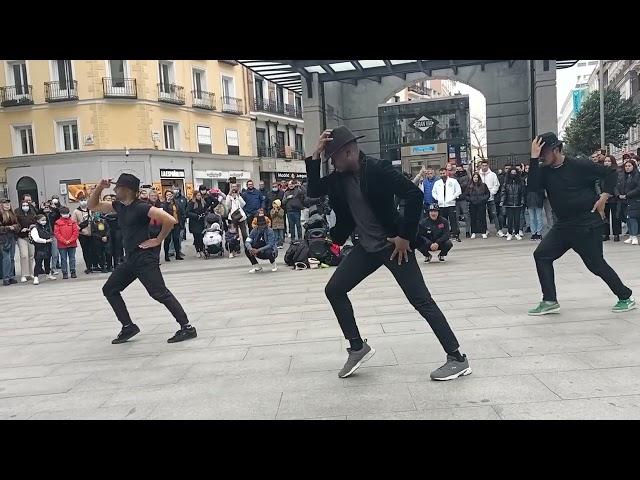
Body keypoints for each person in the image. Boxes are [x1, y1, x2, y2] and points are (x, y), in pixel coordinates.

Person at [307, 127, 469, 381]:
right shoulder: (339, 178)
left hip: (394, 247)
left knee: (421, 302)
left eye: (333, 159)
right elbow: (314, 190)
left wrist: (405, 236)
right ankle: (357, 347)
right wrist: (316, 154)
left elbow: (414, 195)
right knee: (334, 290)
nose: (333, 165)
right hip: (367, 249)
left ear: (348, 152)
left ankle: (457, 358)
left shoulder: (378, 169)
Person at [527, 133, 635, 315]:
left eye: (544, 152)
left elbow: (610, 172)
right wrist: (533, 158)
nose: (542, 156)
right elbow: (532, 186)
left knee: (595, 265)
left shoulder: (579, 165)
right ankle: (550, 300)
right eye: (540, 153)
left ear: (556, 150)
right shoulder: (544, 171)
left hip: (586, 223)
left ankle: (625, 296)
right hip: (563, 225)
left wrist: (604, 196)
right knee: (542, 255)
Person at [88, 174, 197, 344]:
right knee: (109, 289)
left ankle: (187, 327)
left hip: (145, 259)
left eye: (118, 187)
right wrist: (100, 187)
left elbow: (169, 219)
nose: (115, 190)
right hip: (130, 259)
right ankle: (128, 326)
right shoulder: (119, 206)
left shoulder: (141, 207)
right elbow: (93, 205)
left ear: (127, 190)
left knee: (160, 293)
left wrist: (158, 239)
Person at [432, 167, 462, 241]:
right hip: (441, 205)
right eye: (441, 173)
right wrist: (438, 198)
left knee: (453, 220)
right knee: (442, 221)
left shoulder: (453, 181)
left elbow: (458, 191)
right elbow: (433, 192)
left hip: (451, 204)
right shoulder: (437, 183)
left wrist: (452, 197)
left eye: (444, 173)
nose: (442, 175)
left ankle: (455, 235)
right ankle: (443, 235)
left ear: (447, 173)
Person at [29, 214, 57, 284]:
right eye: (42, 220)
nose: (44, 222)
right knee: (38, 263)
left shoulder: (46, 227)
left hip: (48, 246)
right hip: (39, 247)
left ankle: (48, 274)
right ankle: (36, 277)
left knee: (47, 261)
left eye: (45, 220)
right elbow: (36, 239)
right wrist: (45, 241)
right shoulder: (35, 228)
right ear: (38, 221)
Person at [15, 197, 38, 282]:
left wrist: (32, 227)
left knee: (31, 255)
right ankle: (24, 274)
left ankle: (31, 273)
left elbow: (36, 222)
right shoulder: (17, 214)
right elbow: (16, 224)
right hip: (21, 236)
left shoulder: (32, 213)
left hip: (30, 236)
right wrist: (21, 229)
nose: (25, 207)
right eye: (23, 205)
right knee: (24, 255)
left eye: (27, 205)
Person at [600, 155, 622, 242]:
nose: (607, 162)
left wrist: (612, 193)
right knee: (604, 217)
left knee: (615, 217)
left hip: (614, 197)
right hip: (603, 198)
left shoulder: (617, 171)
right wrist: (601, 194)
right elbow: (597, 184)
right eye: (605, 161)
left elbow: (617, 184)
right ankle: (606, 234)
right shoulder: (601, 172)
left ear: (612, 162)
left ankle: (616, 234)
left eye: (609, 161)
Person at [618, 160, 640, 245]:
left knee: (632, 217)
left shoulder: (637, 175)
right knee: (628, 218)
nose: (627, 168)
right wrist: (619, 194)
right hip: (625, 200)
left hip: (634, 199)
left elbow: (638, 189)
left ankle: (634, 236)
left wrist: (627, 195)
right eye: (626, 166)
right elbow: (618, 185)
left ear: (633, 166)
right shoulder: (623, 176)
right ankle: (631, 236)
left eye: (629, 166)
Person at [73, 194, 96, 274]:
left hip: (92, 233)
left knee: (93, 250)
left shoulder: (90, 209)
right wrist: (80, 229)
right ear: (79, 201)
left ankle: (94, 265)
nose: (83, 202)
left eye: (85, 200)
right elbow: (74, 223)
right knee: (86, 250)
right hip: (83, 234)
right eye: (81, 200)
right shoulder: (76, 211)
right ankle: (88, 266)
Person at [500, 167, 525, 240]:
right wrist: (502, 201)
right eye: (512, 173)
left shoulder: (520, 182)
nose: (513, 174)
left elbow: (522, 193)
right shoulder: (506, 183)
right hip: (509, 203)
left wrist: (522, 201)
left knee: (517, 219)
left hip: (518, 203)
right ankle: (510, 233)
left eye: (515, 173)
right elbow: (503, 193)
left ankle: (517, 233)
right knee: (510, 219)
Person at [54, 206, 79, 279]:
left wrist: (70, 240)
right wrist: (64, 241)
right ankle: (64, 273)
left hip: (72, 243)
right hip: (62, 244)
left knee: (72, 258)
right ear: (61, 214)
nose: (66, 215)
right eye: (64, 213)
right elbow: (57, 233)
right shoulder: (57, 223)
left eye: (67, 213)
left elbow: (76, 232)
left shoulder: (72, 222)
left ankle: (73, 271)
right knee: (63, 259)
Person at [478, 160, 501, 235]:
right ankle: (485, 229)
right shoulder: (478, 174)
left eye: (485, 165)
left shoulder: (493, 175)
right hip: (481, 198)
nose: (484, 167)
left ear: (488, 166)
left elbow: (496, 185)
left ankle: (498, 230)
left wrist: (491, 193)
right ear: (481, 166)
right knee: (483, 215)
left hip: (490, 198)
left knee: (494, 214)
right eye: (483, 165)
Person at [161, 190, 184, 262]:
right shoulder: (163, 204)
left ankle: (177, 254)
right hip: (167, 225)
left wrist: (181, 222)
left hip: (176, 223)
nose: (169, 196)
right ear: (165, 196)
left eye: (170, 195)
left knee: (176, 239)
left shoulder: (176, 203)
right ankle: (166, 255)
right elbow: (163, 212)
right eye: (167, 195)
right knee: (167, 240)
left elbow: (180, 212)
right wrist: (167, 203)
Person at [0, 198, 20, 286]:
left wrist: (14, 227)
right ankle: (6, 278)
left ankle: (11, 276)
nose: (7, 205)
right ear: (1, 205)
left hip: (12, 237)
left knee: (12, 258)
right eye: (5, 203)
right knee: (6, 258)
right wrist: (8, 228)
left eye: (8, 203)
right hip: (3, 238)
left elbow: (18, 225)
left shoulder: (12, 213)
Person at [524, 163, 546, 241]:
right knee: (532, 218)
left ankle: (539, 233)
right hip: (530, 199)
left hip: (537, 199)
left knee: (538, 217)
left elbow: (542, 190)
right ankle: (534, 233)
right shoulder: (526, 178)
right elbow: (525, 190)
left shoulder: (540, 178)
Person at [102, 194, 123, 271]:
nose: (109, 200)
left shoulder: (116, 207)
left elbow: (119, 215)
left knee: (117, 248)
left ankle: (116, 264)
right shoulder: (101, 208)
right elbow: (100, 217)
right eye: (107, 198)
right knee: (108, 249)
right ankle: (109, 265)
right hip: (106, 231)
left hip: (117, 230)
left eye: (110, 199)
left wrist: (108, 216)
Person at [467, 172, 490, 239]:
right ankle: (473, 232)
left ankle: (483, 232)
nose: (475, 179)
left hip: (481, 204)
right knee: (473, 218)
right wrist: (471, 199)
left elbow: (487, 194)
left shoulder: (483, 185)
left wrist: (483, 199)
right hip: (472, 204)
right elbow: (466, 195)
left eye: (477, 177)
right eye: (474, 177)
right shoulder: (469, 186)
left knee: (482, 218)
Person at [187, 191, 208, 257]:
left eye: (200, 195)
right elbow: (188, 212)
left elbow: (205, 209)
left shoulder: (203, 202)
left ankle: (201, 249)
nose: (199, 197)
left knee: (201, 237)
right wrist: (196, 216)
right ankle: (197, 250)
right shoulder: (191, 203)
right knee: (196, 237)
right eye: (198, 195)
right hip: (194, 222)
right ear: (195, 196)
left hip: (201, 222)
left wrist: (205, 214)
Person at [454, 165, 471, 238]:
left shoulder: (466, 176)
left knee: (466, 215)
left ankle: (467, 231)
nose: (458, 170)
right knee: (456, 216)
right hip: (456, 199)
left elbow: (465, 186)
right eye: (457, 169)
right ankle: (457, 230)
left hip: (463, 198)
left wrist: (457, 186)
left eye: (460, 169)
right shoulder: (454, 177)